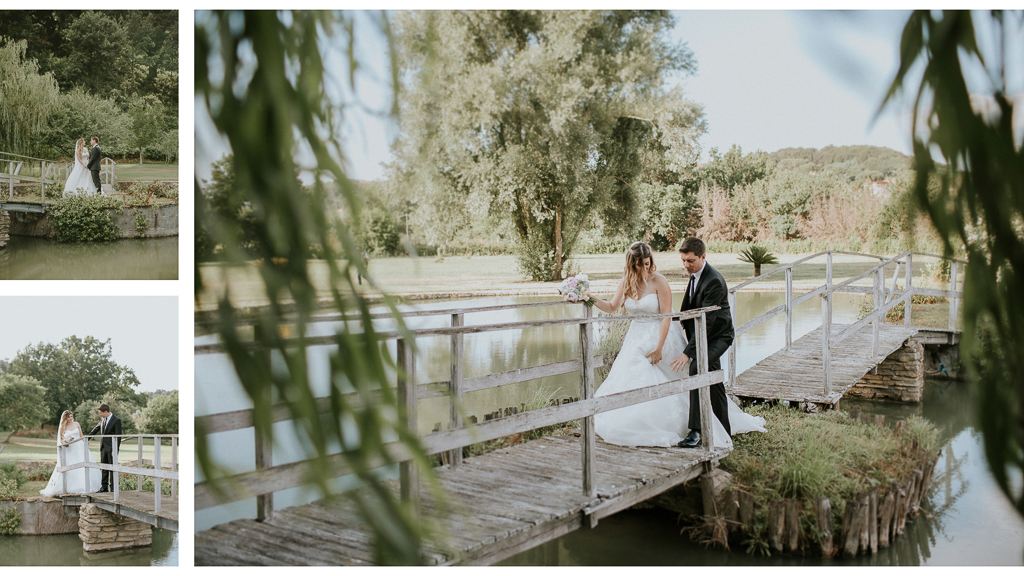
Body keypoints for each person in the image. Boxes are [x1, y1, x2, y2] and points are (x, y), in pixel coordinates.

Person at [585, 241, 763, 448]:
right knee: (633, 373)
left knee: (693, 373)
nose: (644, 268)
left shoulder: (661, 281)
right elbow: (611, 306)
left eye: (647, 263)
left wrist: (663, 347)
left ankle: (700, 427)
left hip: (668, 337)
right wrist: (587, 298)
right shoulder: (626, 282)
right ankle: (642, 421)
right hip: (636, 338)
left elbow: (668, 316)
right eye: (639, 264)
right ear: (630, 263)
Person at [669, 237, 759, 448]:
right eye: (683, 260)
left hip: (718, 337)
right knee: (715, 382)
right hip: (701, 336)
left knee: (697, 367)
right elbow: (689, 309)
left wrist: (688, 352)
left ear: (703, 257)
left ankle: (696, 431)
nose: (686, 265)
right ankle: (723, 429)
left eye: (690, 261)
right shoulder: (694, 276)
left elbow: (706, 322)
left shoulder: (714, 281)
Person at [39, 410, 102, 496]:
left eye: (71, 416)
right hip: (70, 449)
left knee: (84, 465)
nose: (71, 418)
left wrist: (85, 441)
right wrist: (65, 442)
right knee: (71, 466)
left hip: (79, 447)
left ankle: (85, 486)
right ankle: (70, 487)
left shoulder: (77, 424)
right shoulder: (63, 427)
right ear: (65, 418)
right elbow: (61, 440)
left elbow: (81, 435)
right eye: (69, 417)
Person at [88, 403, 122, 493]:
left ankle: (113, 488)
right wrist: (86, 438)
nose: (100, 414)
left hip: (111, 448)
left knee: (112, 469)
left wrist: (114, 450)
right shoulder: (102, 419)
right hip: (103, 447)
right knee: (104, 468)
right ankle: (104, 487)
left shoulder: (116, 420)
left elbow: (118, 437)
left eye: (101, 413)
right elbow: (96, 429)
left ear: (106, 412)